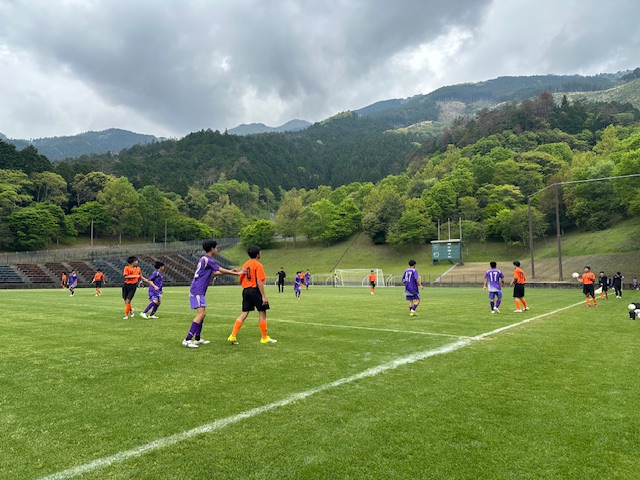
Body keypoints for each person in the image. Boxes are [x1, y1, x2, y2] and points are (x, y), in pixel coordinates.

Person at [182, 240, 241, 348]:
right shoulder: (207, 259)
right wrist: (236, 273)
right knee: (201, 314)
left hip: (198, 290)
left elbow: (215, 272)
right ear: (212, 248)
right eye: (216, 247)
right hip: (197, 290)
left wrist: (231, 271)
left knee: (202, 314)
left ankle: (197, 339)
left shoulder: (205, 260)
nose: (217, 249)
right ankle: (187, 339)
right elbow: (220, 269)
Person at [228, 245, 277, 345]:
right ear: (258, 254)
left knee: (244, 313)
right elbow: (259, 281)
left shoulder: (245, 264)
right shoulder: (258, 265)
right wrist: (263, 296)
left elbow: (241, 279)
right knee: (262, 312)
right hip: (255, 290)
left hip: (246, 290)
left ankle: (233, 335)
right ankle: (264, 337)